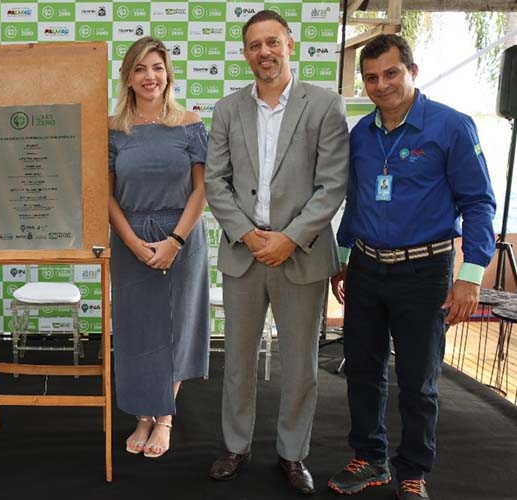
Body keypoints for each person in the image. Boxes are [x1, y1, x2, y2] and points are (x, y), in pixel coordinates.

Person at [328, 34, 496, 500]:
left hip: (425, 273)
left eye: (391, 73)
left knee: (418, 381)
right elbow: (356, 200)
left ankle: (414, 468)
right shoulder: (361, 133)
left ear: (412, 71)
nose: (382, 85)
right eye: (371, 77)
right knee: (362, 370)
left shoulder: (451, 127)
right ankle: (371, 457)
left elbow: (479, 203)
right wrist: (343, 261)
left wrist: (470, 275)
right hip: (364, 269)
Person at [204, 10, 349, 494]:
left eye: (272, 42)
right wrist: (247, 234)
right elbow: (215, 183)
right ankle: (235, 446)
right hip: (244, 252)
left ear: (290, 43)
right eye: (253, 45)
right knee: (239, 361)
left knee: (301, 364)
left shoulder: (325, 105)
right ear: (245, 53)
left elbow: (332, 186)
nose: (263, 52)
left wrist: (289, 237)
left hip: (301, 253)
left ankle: (293, 454)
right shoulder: (227, 110)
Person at [108, 36, 209, 459]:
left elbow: (203, 189)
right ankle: (143, 415)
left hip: (181, 237)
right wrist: (131, 241)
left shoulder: (190, 123)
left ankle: (164, 417)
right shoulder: (112, 129)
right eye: (140, 69)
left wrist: (175, 241)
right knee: (138, 330)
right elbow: (105, 195)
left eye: (157, 68)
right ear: (128, 77)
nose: (150, 77)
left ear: (168, 74)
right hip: (129, 237)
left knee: (175, 327)